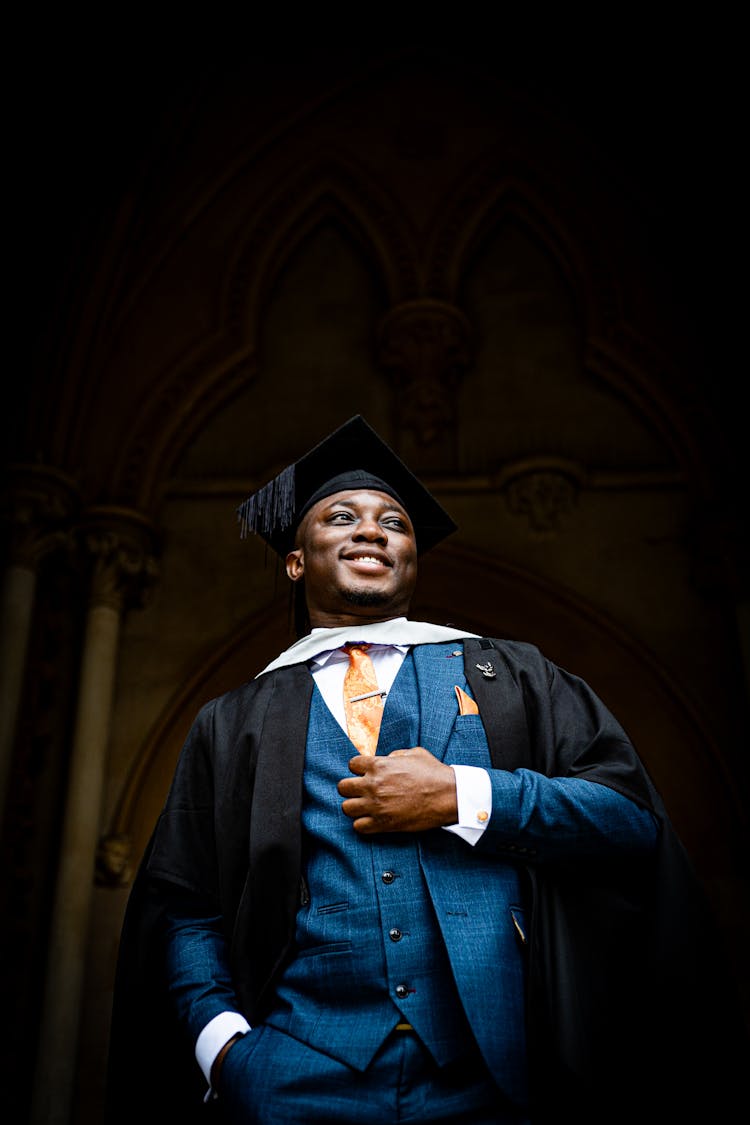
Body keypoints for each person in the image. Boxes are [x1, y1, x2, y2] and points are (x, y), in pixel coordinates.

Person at [106, 416, 746, 1124]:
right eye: (342, 516)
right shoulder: (233, 721)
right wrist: (226, 1048)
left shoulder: (510, 676)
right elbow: (184, 901)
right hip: (293, 1076)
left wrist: (464, 796)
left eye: (395, 523)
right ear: (296, 559)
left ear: (415, 557)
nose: (372, 531)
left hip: (498, 1076)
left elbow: (629, 820)